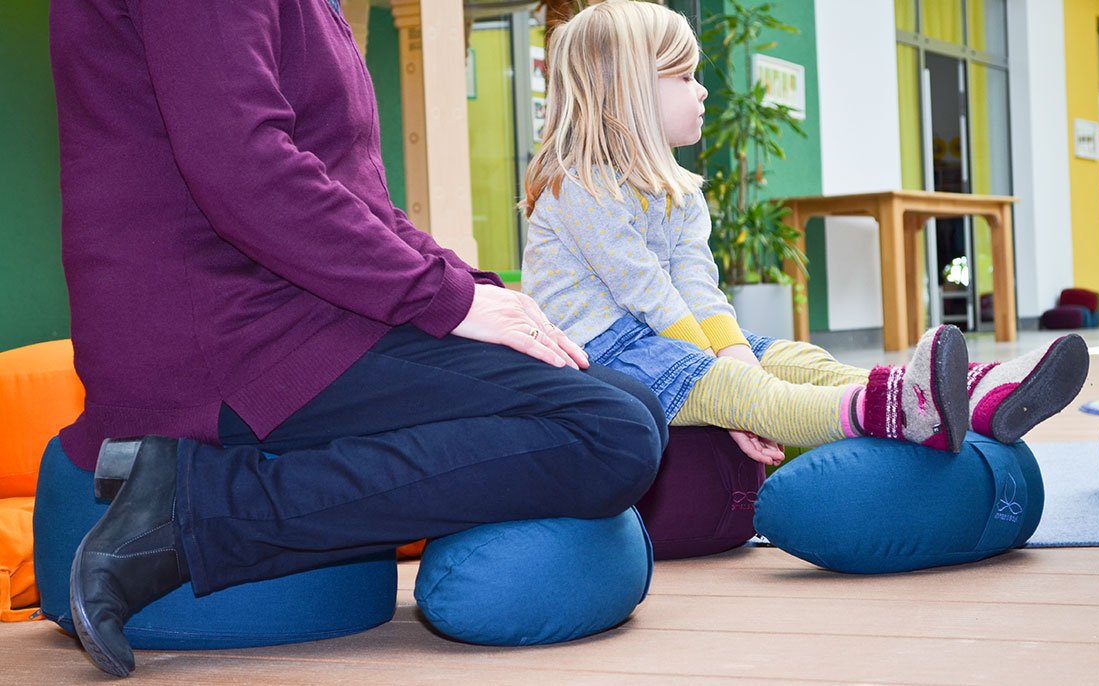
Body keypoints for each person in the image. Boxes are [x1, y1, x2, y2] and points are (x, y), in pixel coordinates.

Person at [51, 0, 667, 678]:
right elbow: (243, 167)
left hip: (299, 310)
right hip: (215, 338)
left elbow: (356, 195)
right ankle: (192, 513)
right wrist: (444, 300)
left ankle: (205, 504)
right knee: (608, 431)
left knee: (630, 405)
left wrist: (472, 289)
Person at [520, 0, 1089, 467]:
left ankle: (968, 392)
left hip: (668, 334)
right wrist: (732, 383)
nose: (703, 91)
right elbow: (646, 290)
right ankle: (891, 412)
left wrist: (738, 351)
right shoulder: (581, 186)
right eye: (686, 77)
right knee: (749, 391)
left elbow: (695, 283)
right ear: (629, 90)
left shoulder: (680, 191)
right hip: (602, 353)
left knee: (797, 359)